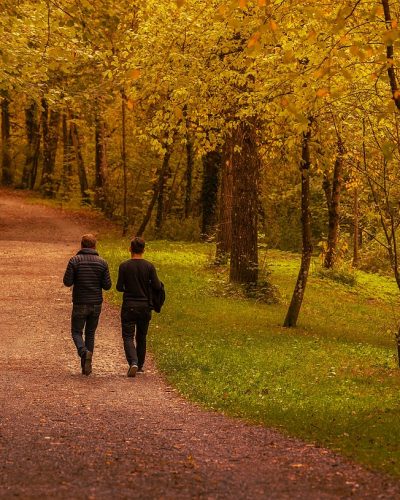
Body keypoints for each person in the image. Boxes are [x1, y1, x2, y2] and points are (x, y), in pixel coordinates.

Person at [63, 234, 112, 375]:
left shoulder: (75, 261)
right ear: (95, 246)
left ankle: (83, 352)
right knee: (90, 333)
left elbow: (67, 282)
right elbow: (107, 285)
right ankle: (86, 366)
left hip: (80, 302)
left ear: (81, 245)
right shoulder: (102, 263)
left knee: (76, 332)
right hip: (96, 303)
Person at [116, 237, 161, 377]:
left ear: (130, 249)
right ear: (144, 250)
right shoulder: (149, 266)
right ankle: (140, 366)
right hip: (145, 306)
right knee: (141, 336)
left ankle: (133, 362)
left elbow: (119, 287)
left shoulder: (124, 266)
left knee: (128, 336)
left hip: (129, 305)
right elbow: (157, 286)